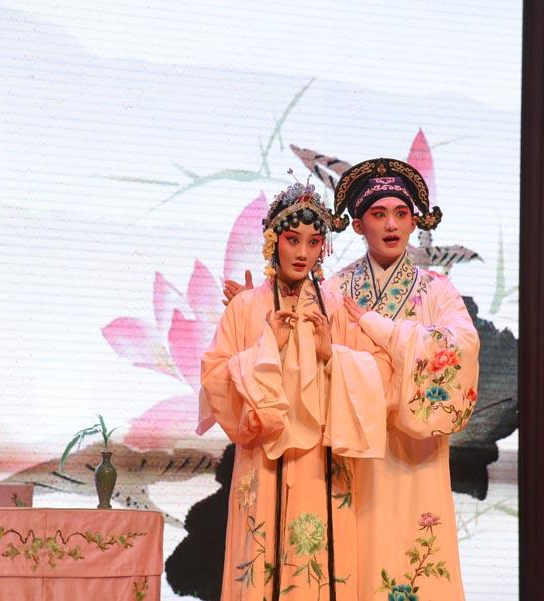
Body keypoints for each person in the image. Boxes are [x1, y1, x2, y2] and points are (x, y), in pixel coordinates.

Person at [224, 158, 480, 601]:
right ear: (358, 225)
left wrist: (387, 332)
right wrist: (258, 306)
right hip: (349, 454)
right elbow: (303, 365)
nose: (391, 225)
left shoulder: (438, 291)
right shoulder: (333, 291)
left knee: (413, 562)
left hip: (413, 453)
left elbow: (461, 350)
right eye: (378, 214)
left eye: (401, 214)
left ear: (414, 220)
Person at [199, 180, 391, 601]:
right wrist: (267, 350)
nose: (303, 253)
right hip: (263, 456)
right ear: (273, 241)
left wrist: (330, 356)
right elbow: (214, 375)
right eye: (292, 240)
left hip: (321, 459)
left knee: (318, 563)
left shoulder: (335, 306)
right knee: (260, 557)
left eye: (314, 242)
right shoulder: (245, 308)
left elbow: (377, 374)